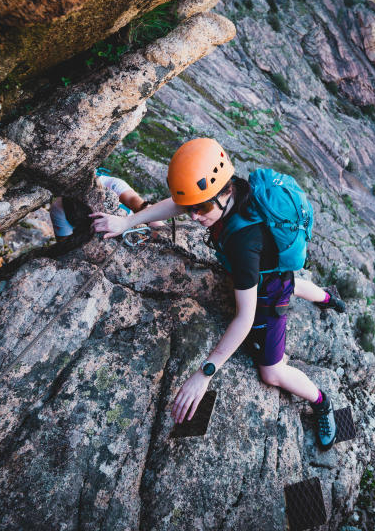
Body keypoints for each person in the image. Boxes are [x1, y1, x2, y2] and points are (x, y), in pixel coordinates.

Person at [90, 138, 347, 447]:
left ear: (225, 192)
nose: (195, 216)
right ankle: (329, 299)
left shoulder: (243, 243)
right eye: (192, 208)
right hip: (270, 274)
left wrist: (205, 372)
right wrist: (128, 220)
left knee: (272, 372)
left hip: (267, 293)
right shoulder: (233, 192)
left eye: (202, 208)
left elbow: (245, 317)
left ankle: (321, 402)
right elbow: (180, 202)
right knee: (290, 283)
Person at [50, 171, 160, 239]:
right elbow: (65, 242)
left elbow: (136, 202)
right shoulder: (58, 208)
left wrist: (159, 227)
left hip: (133, 227)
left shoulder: (111, 183)